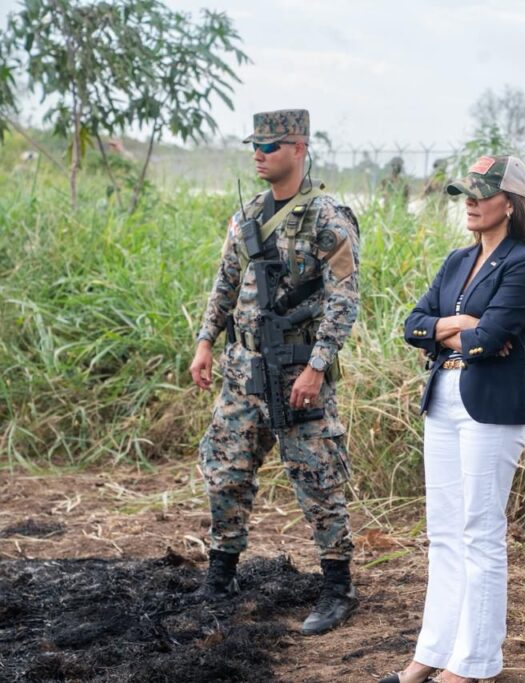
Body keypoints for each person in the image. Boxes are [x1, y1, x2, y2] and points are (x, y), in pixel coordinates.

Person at [188, 109, 361, 637]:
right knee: (226, 471)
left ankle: (337, 587)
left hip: (295, 371)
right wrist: (204, 343)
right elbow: (224, 282)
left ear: (299, 148)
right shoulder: (245, 216)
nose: (259, 154)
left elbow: (343, 300)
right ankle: (221, 575)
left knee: (317, 477)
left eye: (271, 145)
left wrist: (316, 367)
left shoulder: (328, 217)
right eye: (255, 145)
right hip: (241, 371)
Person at [383, 155, 525, 683]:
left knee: (479, 531)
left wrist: (453, 331)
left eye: (482, 193)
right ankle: (432, 653)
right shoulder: (458, 260)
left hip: (491, 406)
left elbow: (491, 337)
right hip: (444, 400)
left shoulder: (524, 263)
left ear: (510, 202)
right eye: (466, 194)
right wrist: (459, 325)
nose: (471, 203)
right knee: (444, 533)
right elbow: (412, 325)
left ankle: (474, 663)